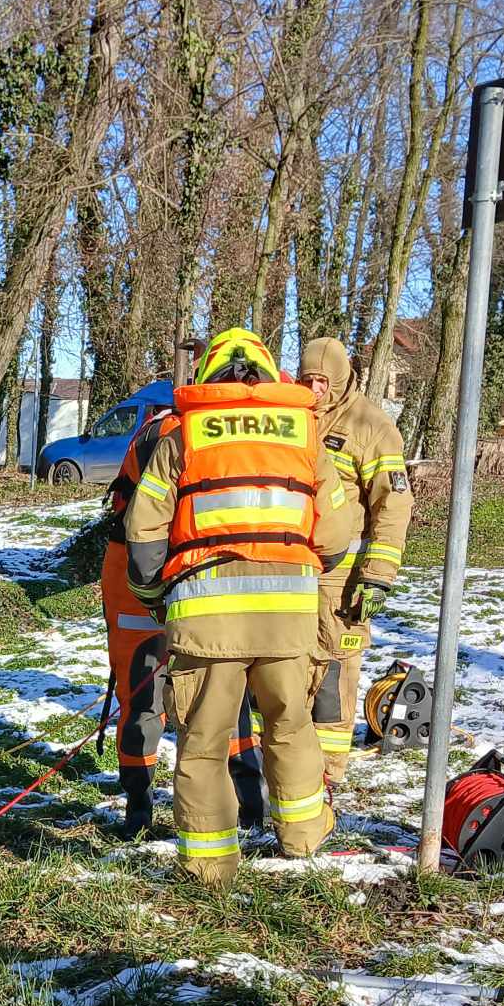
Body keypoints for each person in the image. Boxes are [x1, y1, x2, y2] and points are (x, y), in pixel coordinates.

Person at [125, 327, 339, 880]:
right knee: (291, 725)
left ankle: (210, 865)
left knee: (203, 742)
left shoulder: (182, 436)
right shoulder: (306, 435)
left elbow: (143, 538)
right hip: (288, 620)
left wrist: (155, 598)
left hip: (207, 618)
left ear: (207, 376)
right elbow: (338, 532)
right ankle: (303, 839)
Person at [100, 404, 266, 841]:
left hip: (175, 572)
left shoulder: (175, 428)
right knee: (152, 696)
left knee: (216, 691)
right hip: (145, 575)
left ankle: (246, 802)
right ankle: (141, 808)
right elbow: (147, 524)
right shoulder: (180, 433)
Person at [297, 337, 413, 784]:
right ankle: (282, 763)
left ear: (342, 379)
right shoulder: (292, 416)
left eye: (322, 381)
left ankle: (328, 773)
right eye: (307, 380)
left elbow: (393, 504)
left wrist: (378, 576)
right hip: (293, 572)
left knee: (333, 673)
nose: (314, 389)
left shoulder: (372, 426)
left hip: (342, 581)